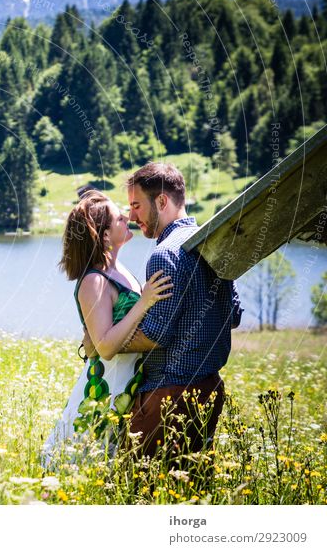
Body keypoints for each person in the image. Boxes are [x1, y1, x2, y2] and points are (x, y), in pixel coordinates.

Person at [84, 162, 242, 460]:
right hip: (210, 388)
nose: (131, 216)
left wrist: (105, 342)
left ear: (161, 201)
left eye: (136, 206)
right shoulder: (214, 242)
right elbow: (233, 315)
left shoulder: (164, 254)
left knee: (138, 488)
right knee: (192, 486)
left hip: (168, 395)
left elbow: (156, 335)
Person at [41, 190, 172, 468]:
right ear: (103, 236)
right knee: (78, 465)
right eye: (119, 218)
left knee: (109, 469)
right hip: (104, 390)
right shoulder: (93, 281)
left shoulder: (119, 269)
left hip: (127, 387)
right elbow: (105, 347)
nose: (127, 217)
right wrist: (145, 301)